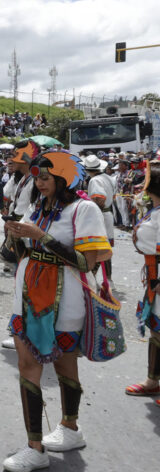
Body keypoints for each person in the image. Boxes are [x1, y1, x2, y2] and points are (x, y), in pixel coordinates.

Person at [2, 151, 111, 472]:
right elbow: (22, 251)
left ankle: (70, 428)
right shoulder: (39, 207)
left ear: (64, 178)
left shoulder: (84, 208)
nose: (40, 183)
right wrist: (17, 236)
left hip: (67, 300)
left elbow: (87, 263)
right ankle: (35, 446)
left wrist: (41, 236)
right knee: (26, 363)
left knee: (66, 367)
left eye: (46, 178)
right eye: (37, 178)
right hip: (28, 294)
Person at [125, 159, 160, 401]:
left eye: (145, 181)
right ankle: (153, 380)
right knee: (157, 331)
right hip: (153, 275)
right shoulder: (155, 211)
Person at [0, 141, 40, 350]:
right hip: (23, 234)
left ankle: (25, 333)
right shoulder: (24, 178)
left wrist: (16, 222)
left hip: (30, 237)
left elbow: (29, 210)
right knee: (22, 283)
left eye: (16, 157)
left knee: (26, 286)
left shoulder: (34, 180)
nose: (11, 161)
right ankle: (23, 331)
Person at [83, 154, 117, 280]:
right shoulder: (108, 178)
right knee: (105, 249)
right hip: (107, 215)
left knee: (96, 249)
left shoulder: (95, 180)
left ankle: (92, 278)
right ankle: (108, 279)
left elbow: (99, 199)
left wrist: (93, 215)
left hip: (100, 216)